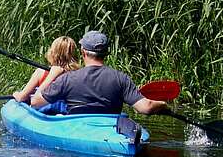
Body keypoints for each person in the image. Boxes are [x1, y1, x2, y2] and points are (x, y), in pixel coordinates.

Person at [30, 30, 168, 115]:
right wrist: (162, 104)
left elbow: (35, 102)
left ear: (83, 52)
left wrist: (51, 75)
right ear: (106, 53)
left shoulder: (68, 78)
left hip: (76, 128)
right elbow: (146, 108)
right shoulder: (121, 78)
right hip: (109, 128)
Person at [13, 36, 80, 113]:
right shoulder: (79, 73)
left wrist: (16, 94)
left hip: (44, 112)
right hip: (68, 112)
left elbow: (22, 97)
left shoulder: (41, 72)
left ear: (52, 53)